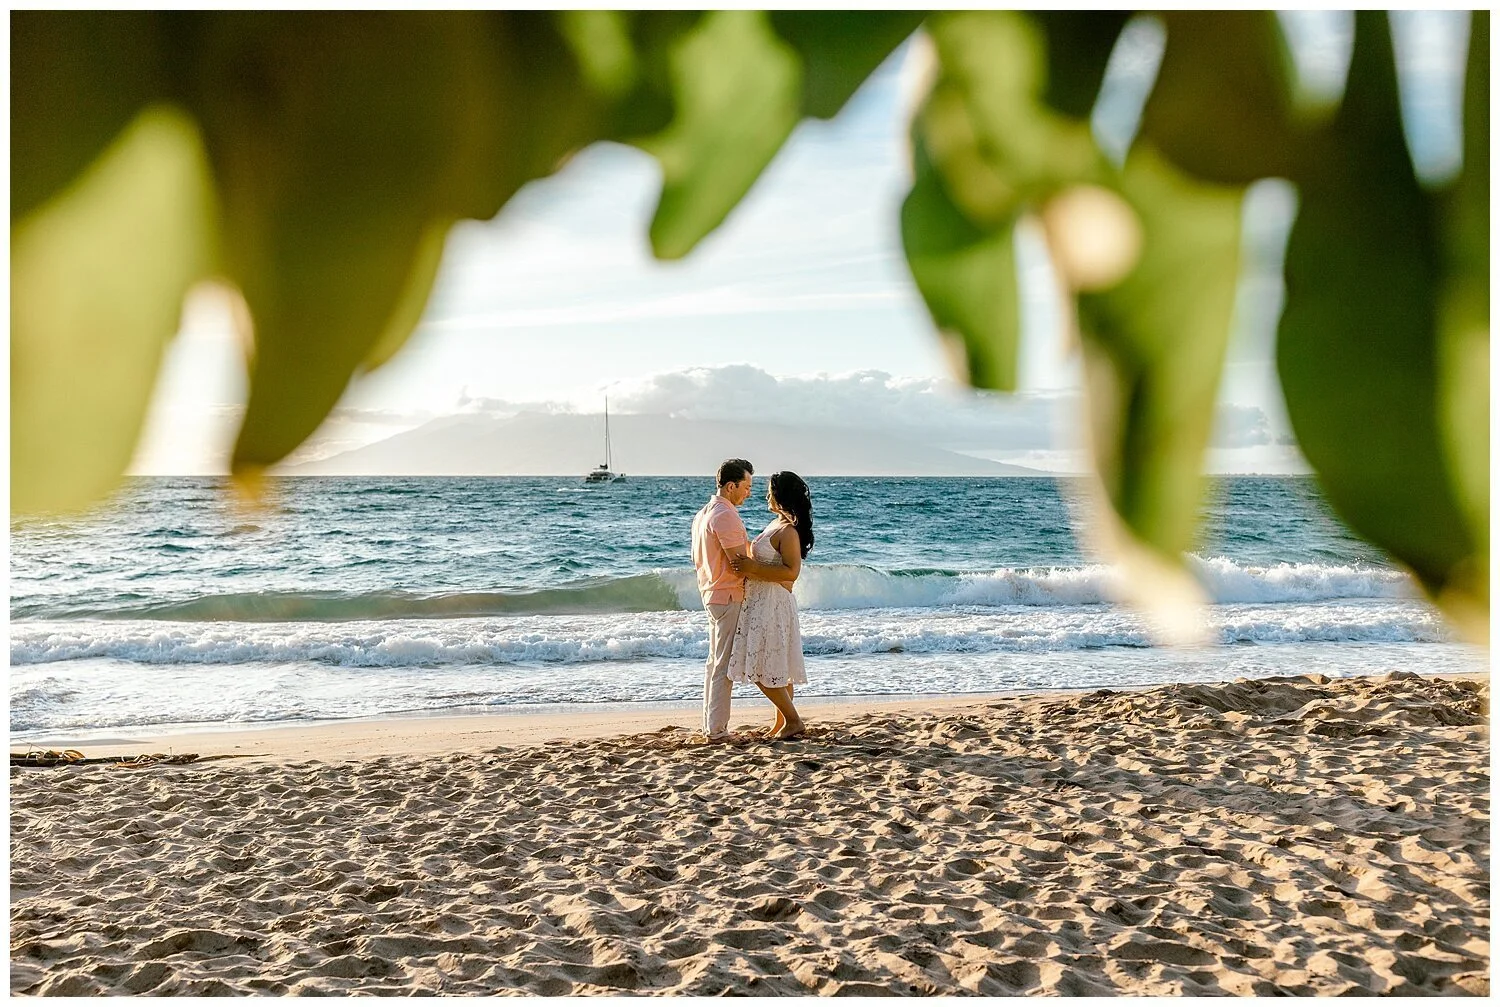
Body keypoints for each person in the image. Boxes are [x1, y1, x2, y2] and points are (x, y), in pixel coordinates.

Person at [728, 471, 814, 739]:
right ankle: (782, 724)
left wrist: (753, 567)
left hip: (773, 603)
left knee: (761, 667)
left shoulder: (788, 531)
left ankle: (794, 720)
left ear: (781, 496)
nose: (766, 495)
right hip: (762, 601)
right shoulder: (776, 524)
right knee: (777, 667)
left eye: (770, 491)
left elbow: (791, 573)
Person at [690, 458, 755, 740]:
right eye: (746, 486)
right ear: (731, 486)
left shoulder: (703, 513)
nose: (749, 492)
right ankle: (717, 730)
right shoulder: (724, 514)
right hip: (727, 594)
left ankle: (711, 724)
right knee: (722, 665)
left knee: (714, 662)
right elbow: (738, 562)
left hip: (711, 592)